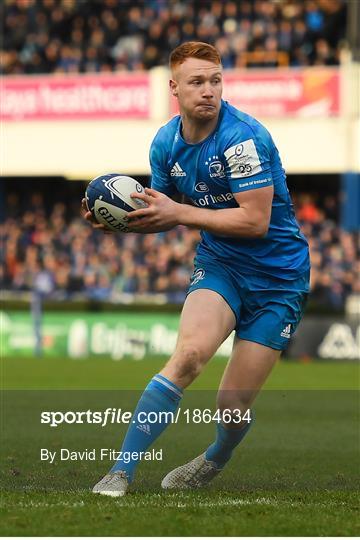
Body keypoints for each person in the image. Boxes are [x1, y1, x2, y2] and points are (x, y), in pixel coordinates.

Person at [83, 42, 310, 496]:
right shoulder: (165, 143)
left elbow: (254, 220)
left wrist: (180, 215)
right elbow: (166, 214)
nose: (209, 90)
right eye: (197, 82)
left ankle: (216, 457)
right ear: (174, 88)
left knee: (231, 405)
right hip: (221, 264)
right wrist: (124, 225)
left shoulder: (242, 139)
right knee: (187, 356)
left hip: (279, 278)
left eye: (215, 80)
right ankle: (121, 471)